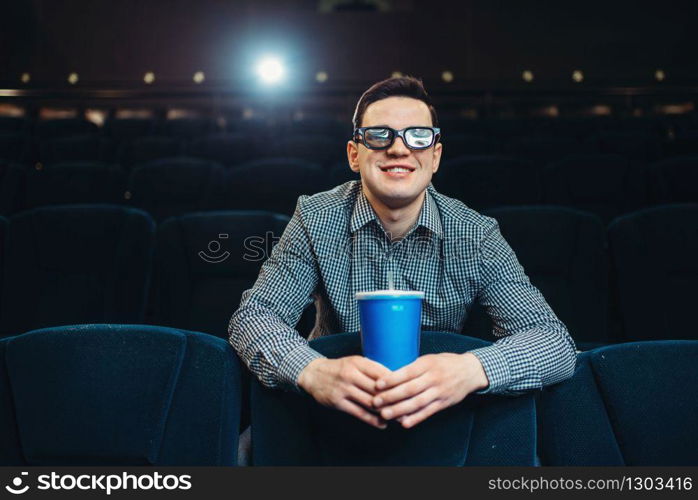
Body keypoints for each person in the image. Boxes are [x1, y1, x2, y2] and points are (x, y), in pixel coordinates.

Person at [228, 76, 576, 431]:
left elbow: (552, 341)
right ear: (354, 154)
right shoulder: (315, 217)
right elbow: (255, 316)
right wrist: (312, 370)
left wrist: (470, 370)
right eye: (379, 135)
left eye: (418, 136)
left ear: (435, 155)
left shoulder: (476, 234)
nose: (399, 149)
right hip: (328, 417)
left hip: (437, 420)